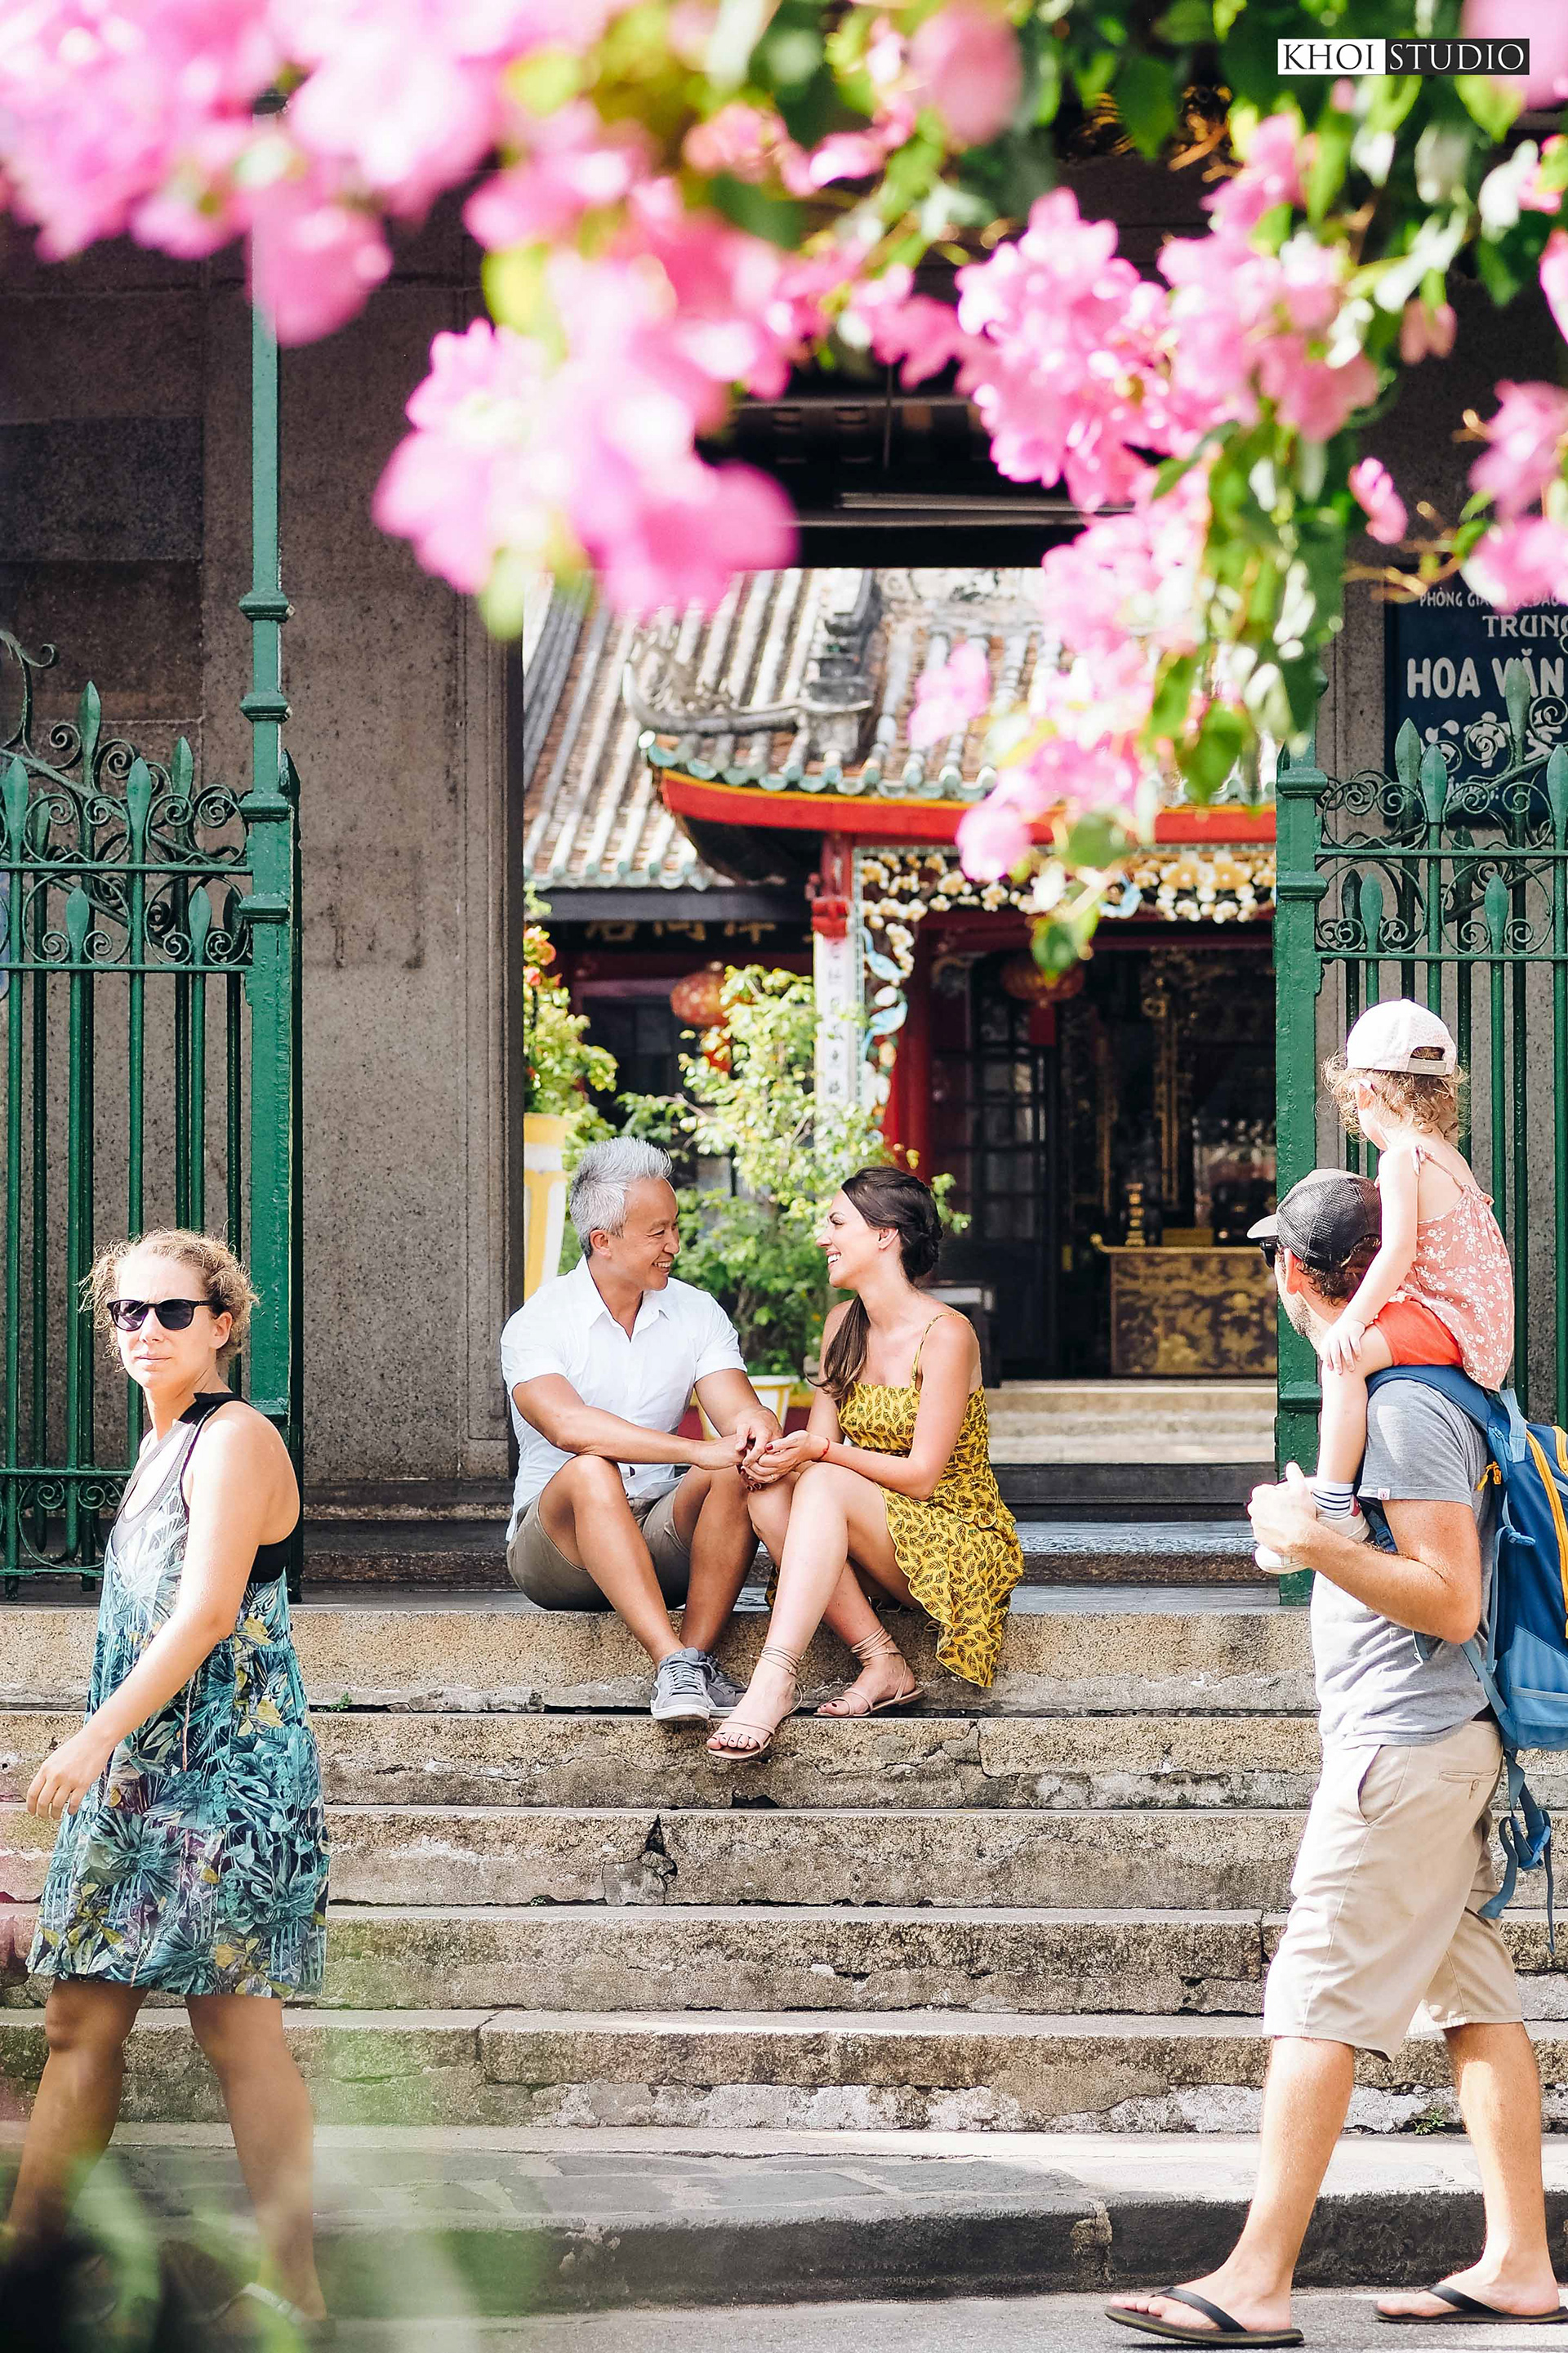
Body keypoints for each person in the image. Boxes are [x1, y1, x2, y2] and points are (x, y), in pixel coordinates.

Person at [1107, 1169, 1563, 2348]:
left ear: (1297, 1273)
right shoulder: (1389, 1382)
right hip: (1436, 1741)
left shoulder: (1410, 1405)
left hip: (1404, 1751)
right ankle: (1518, 2260)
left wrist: (1313, 1539)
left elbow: (1451, 1598)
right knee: (1472, 1996)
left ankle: (1256, 2280)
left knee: (1316, 1997)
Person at [7, 1229, 331, 2344]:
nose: (145, 1330)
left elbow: (203, 1615)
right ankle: (28, 2267)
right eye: (126, 1314)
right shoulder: (161, 1445)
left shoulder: (236, 1437)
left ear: (225, 1322)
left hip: (225, 1777)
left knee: (237, 2033)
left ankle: (295, 2284)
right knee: (76, 2018)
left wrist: (92, 1738)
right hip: (147, 1774)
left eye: (173, 1312)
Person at [707, 1166, 1024, 1763]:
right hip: (879, 1533)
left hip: (956, 1533)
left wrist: (817, 1453)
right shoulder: (840, 1326)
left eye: (835, 1222)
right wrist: (773, 1459)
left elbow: (924, 1476)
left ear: (885, 1235)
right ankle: (882, 1659)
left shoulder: (947, 1333)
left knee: (821, 1476)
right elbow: (816, 1454)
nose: (823, 1237)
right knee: (770, 1492)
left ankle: (773, 1679)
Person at [502, 1136, 782, 1722]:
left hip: (659, 1531)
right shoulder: (539, 1323)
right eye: (658, 1232)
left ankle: (694, 1663)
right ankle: (668, 1657)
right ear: (603, 1241)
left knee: (736, 1468)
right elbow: (570, 1426)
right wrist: (695, 1450)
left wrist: (755, 1427)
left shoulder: (696, 1311)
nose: (673, 1245)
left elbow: (736, 1409)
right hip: (559, 1548)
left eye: (674, 1227)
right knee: (590, 1470)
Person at [1257, 1000, 1512, 1571]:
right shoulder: (1446, 1155)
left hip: (1450, 1318)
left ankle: (1334, 1503)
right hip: (1474, 1318)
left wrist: (1350, 1321)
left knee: (1342, 1362)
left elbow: (1398, 1252)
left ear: (1366, 1093)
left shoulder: (1402, 1159)